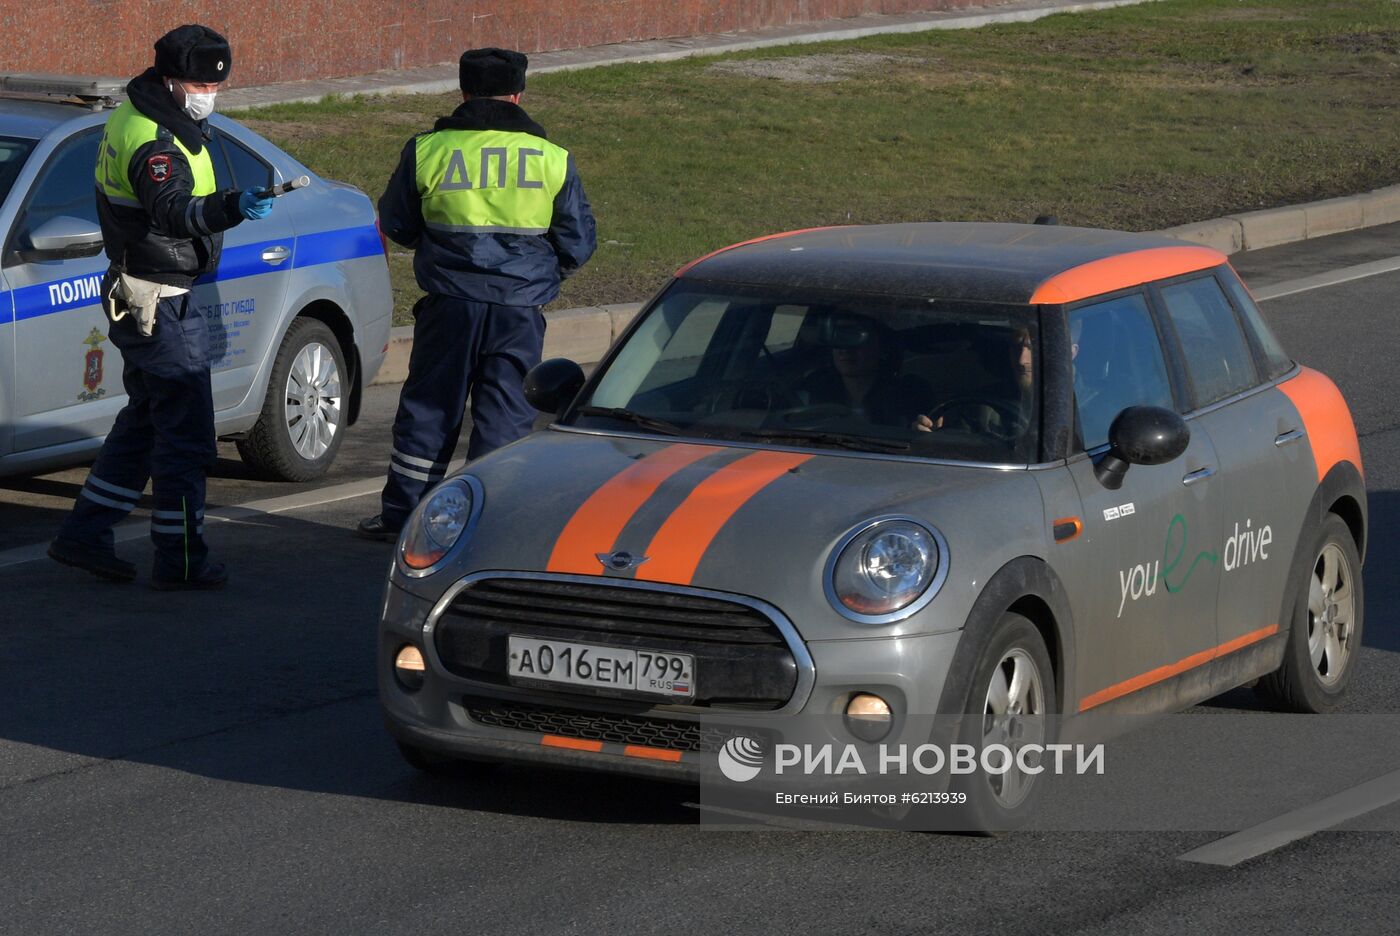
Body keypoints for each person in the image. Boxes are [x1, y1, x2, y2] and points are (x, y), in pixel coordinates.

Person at [47, 25, 276, 590]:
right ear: (171, 80)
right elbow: (174, 211)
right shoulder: (153, 139)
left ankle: (85, 533)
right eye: (199, 84)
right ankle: (181, 558)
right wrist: (232, 206)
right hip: (159, 300)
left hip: (146, 292)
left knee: (147, 422)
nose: (208, 95)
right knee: (186, 437)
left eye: (215, 85)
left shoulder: (145, 115)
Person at [357, 48, 597, 541]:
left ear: (464, 92)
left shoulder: (428, 149)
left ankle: (404, 519)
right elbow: (577, 242)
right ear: (518, 94)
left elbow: (397, 222)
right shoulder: (551, 157)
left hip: (449, 304)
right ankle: (489, 526)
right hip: (519, 309)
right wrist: (539, 277)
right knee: (506, 417)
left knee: (430, 411)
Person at [796, 313, 930, 428]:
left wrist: (923, 432)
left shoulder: (910, 396)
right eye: (838, 337)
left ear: (881, 345)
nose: (845, 349)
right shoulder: (810, 392)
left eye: (855, 337)